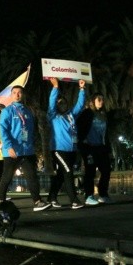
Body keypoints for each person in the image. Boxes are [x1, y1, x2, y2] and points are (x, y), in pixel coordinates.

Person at [0, 86, 51, 211]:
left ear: (23, 95)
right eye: (14, 93)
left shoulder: (28, 111)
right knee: (7, 177)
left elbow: (31, 131)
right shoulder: (7, 111)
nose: (17, 95)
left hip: (27, 151)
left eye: (20, 92)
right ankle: (1, 199)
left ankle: (37, 201)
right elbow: (3, 130)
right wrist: (8, 146)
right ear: (11, 96)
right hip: (12, 151)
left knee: (32, 176)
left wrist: (33, 146)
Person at [46, 78, 87, 209]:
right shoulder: (52, 115)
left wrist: (81, 89)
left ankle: (51, 197)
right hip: (58, 150)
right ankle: (74, 200)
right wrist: (55, 87)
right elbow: (51, 103)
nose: (62, 104)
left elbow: (80, 105)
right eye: (59, 102)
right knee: (68, 172)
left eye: (64, 102)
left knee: (61, 175)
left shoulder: (71, 115)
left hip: (72, 150)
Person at [77, 91, 112, 205]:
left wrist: (108, 147)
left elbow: (106, 133)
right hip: (89, 148)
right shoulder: (87, 113)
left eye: (102, 99)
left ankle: (103, 194)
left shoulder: (103, 114)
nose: (101, 102)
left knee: (106, 170)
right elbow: (78, 127)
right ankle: (89, 195)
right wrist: (82, 141)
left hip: (101, 147)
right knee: (90, 172)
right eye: (99, 99)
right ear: (93, 101)